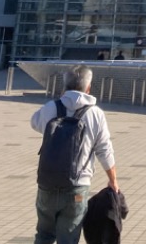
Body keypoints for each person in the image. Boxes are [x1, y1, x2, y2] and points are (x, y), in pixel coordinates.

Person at [30, 65, 118, 244]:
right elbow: (104, 150)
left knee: (44, 235)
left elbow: (35, 122)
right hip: (77, 187)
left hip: (47, 183)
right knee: (68, 239)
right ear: (88, 88)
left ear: (64, 86)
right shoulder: (95, 114)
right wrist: (113, 180)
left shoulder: (51, 108)